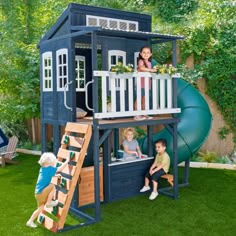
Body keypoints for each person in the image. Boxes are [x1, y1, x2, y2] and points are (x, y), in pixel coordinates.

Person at [26, 152, 70, 228]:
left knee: (40, 208)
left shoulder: (43, 168)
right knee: (52, 185)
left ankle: (30, 221)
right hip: (42, 192)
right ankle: (49, 203)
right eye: (53, 162)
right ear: (50, 163)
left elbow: (47, 177)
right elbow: (60, 169)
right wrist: (67, 160)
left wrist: (55, 175)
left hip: (37, 193)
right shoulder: (49, 168)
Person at [134, 46, 157, 121]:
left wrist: (153, 70)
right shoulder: (141, 61)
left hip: (147, 85)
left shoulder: (150, 63)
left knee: (145, 99)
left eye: (148, 53)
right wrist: (151, 70)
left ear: (150, 54)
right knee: (139, 99)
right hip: (140, 84)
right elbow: (141, 68)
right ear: (141, 54)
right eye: (144, 52)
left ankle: (145, 114)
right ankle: (136, 115)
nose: (146, 54)